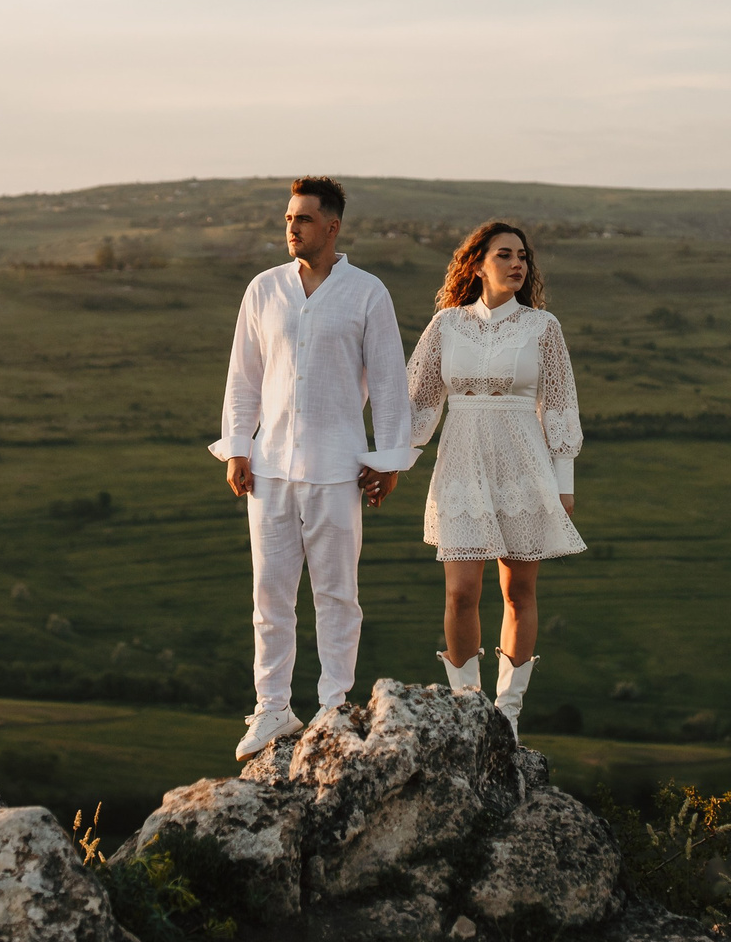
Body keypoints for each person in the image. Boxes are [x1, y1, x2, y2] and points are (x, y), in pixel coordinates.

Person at [212, 176, 418, 760]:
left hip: (336, 467)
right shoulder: (263, 289)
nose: (291, 228)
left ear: (332, 226)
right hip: (270, 466)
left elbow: (388, 381)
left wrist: (389, 460)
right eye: (287, 218)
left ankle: (332, 707)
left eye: (302, 219)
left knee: (336, 594)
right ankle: (272, 707)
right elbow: (243, 376)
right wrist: (237, 446)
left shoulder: (367, 293)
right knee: (270, 596)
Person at [404, 219, 584, 738]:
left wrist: (564, 478)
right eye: (504, 254)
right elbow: (418, 399)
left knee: (517, 591)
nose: (517, 263)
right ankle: (466, 708)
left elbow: (560, 403)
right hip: (460, 462)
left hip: (524, 466)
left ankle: (506, 713)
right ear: (477, 263)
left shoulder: (542, 327)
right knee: (461, 592)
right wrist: (395, 461)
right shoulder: (446, 325)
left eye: (522, 256)